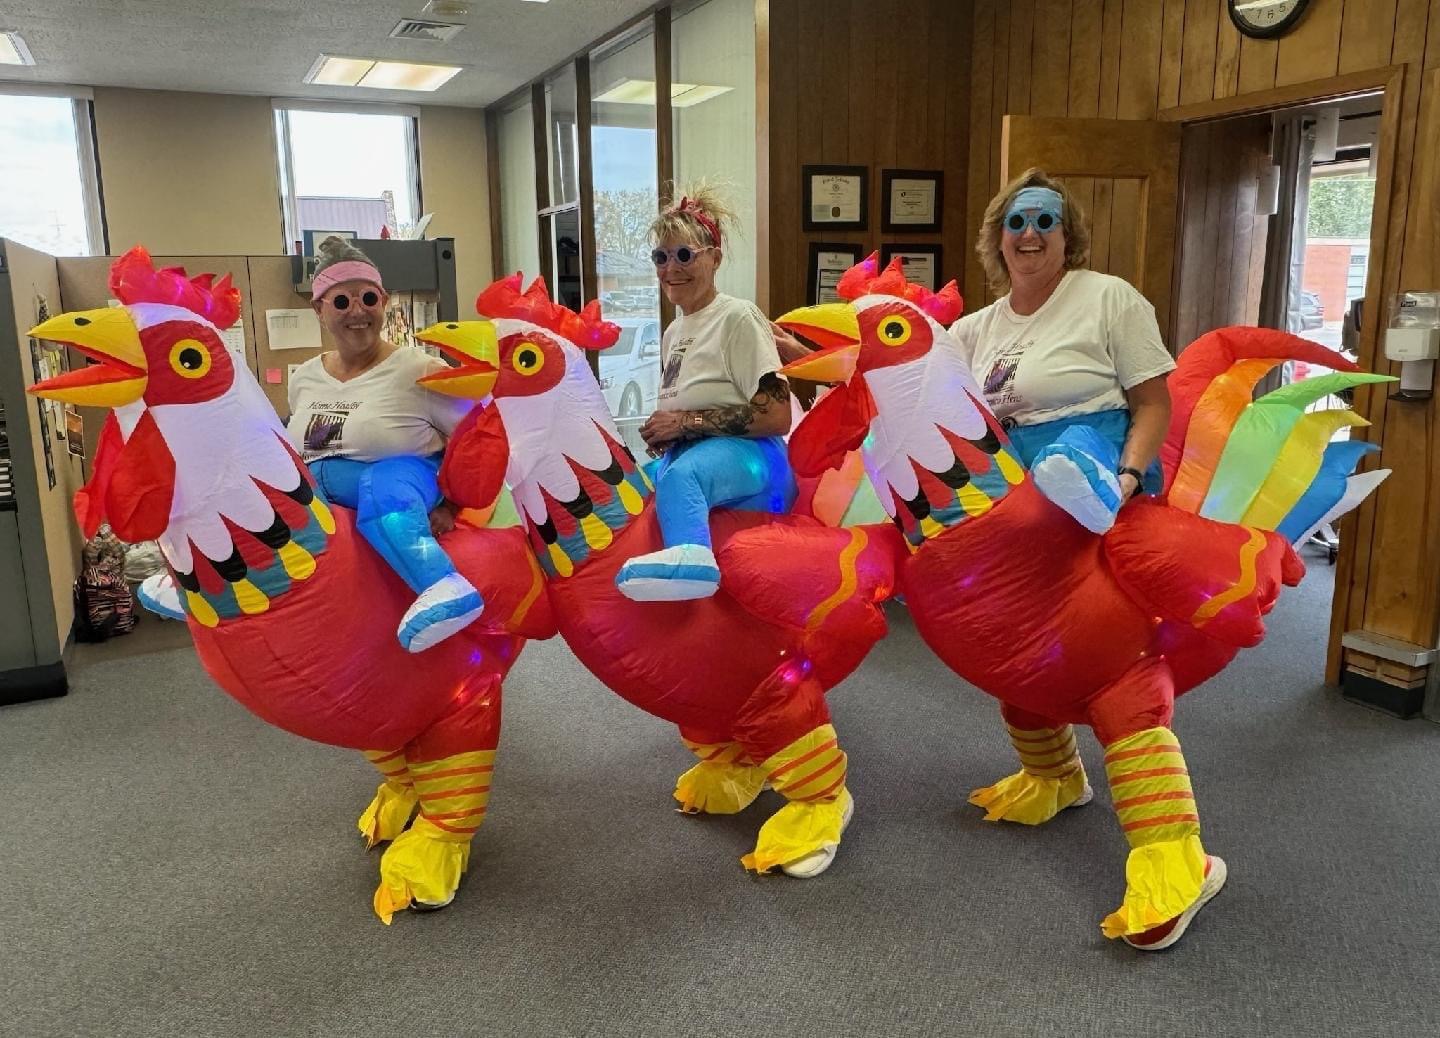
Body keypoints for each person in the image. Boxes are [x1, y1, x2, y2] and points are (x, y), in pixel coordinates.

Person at [951, 168, 1174, 532]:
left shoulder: (1109, 298)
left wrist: (1130, 476)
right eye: (1017, 221)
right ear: (998, 237)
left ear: (1066, 236)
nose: (1029, 233)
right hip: (1010, 495)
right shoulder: (969, 331)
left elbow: (1152, 403)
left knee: (1071, 465)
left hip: (1102, 483)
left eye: (1044, 220)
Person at [287, 236, 481, 652]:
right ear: (319, 310)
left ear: (384, 301)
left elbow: (478, 439)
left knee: (383, 485)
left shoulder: (420, 369)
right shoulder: (303, 378)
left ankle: (445, 586)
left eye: (368, 298)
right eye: (341, 302)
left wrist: (452, 504)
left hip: (403, 483)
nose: (357, 311)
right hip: (328, 499)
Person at [615, 184, 795, 601]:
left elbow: (776, 415)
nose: (670, 268)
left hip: (757, 459)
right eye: (661, 256)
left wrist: (683, 423)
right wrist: (668, 433)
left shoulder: (736, 316)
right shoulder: (674, 331)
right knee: (636, 490)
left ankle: (692, 565)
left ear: (715, 258)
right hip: (703, 455)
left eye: (684, 255)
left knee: (682, 476)